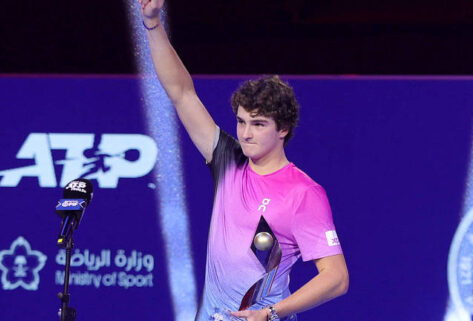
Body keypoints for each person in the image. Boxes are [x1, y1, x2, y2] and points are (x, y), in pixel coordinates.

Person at [140, 1, 349, 320]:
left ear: (283, 129)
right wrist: (153, 24)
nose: (246, 133)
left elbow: (336, 278)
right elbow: (181, 92)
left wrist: (270, 312)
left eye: (258, 124)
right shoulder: (228, 160)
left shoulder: (303, 193)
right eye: (241, 122)